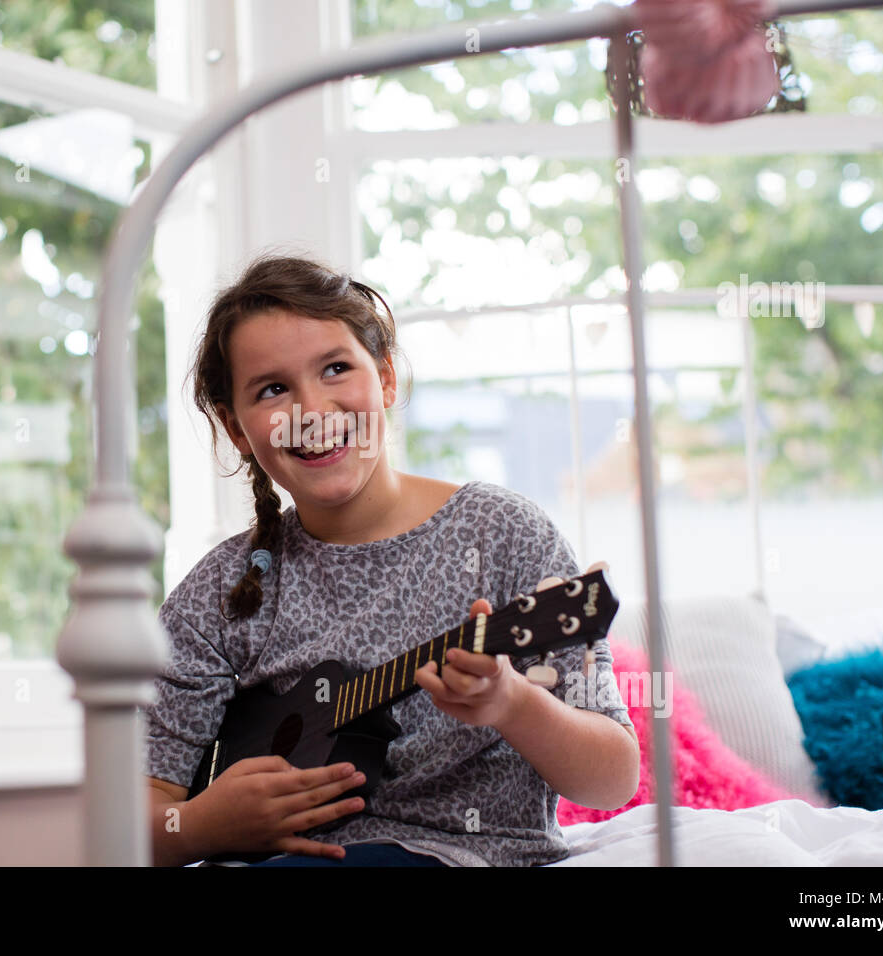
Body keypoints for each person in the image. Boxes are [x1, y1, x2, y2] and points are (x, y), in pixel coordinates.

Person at [144, 253, 639, 867]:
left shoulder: (504, 535)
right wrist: (199, 826)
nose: (312, 410)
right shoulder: (219, 592)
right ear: (238, 428)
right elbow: (131, 817)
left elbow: (614, 778)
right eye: (273, 389)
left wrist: (514, 702)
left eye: (334, 369)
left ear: (384, 380)